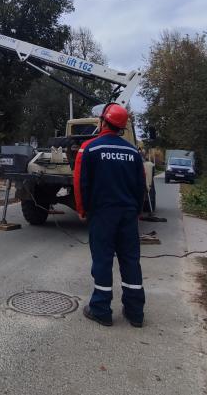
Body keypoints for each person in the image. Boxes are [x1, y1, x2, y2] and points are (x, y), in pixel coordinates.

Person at [76, 103, 147, 328]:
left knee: (103, 260)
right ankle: (135, 313)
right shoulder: (133, 152)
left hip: (102, 214)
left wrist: (82, 209)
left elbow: (80, 183)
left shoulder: (90, 148)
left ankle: (101, 310)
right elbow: (140, 186)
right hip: (127, 214)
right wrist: (137, 212)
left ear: (103, 122)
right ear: (122, 127)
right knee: (130, 260)